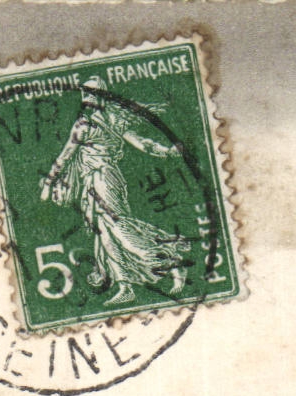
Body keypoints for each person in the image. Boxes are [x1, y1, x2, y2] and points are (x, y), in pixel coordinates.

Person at [39, 77, 190, 306]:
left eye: (89, 93)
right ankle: (125, 285)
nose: (85, 97)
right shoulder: (110, 120)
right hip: (97, 182)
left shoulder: (87, 125)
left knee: (118, 229)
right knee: (105, 234)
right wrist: (166, 151)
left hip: (103, 180)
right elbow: (142, 143)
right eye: (84, 93)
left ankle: (170, 264)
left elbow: (64, 157)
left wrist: (49, 183)